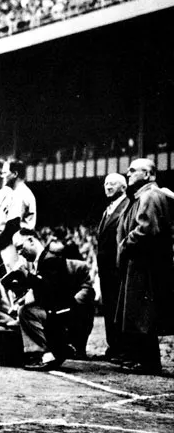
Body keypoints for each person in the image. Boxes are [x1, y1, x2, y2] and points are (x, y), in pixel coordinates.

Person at [114, 158, 174, 375]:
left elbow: (146, 229)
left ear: (148, 175)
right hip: (146, 263)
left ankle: (147, 362)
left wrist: (125, 243)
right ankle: (145, 360)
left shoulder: (149, 195)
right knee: (142, 314)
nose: (128, 173)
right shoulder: (149, 195)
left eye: (133, 170)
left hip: (143, 263)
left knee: (142, 314)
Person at [9, 229, 95, 371]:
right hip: (57, 312)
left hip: (63, 314)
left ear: (31, 240)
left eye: (20, 247)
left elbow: (50, 291)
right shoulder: (42, 261)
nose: (19, 252)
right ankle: (54, 350)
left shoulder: (51, 259)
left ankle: (41, 354)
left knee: (26, 312)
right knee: (22, 312)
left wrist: (26, 276)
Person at [95, 173, 129, 362]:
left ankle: (123, 348)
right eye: (106, 183)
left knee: (118, 309)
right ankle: (114, 347)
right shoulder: (108, 209)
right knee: (109, 308)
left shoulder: (127, 207)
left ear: (123, 187)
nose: (108, 187)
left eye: (112, 184)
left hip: (117, 268)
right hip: (105, 269)